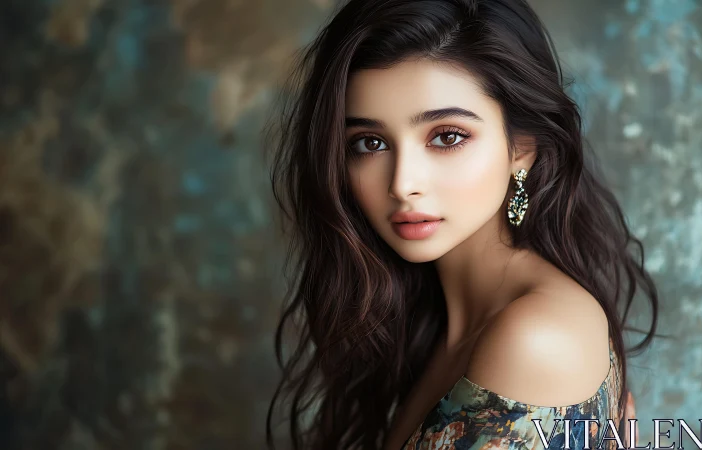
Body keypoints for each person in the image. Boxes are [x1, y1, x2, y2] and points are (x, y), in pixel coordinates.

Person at [266, 0, 658, 448]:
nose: (403, 183)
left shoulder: (537, 337)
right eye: (370, 143)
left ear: (521, 148)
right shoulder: (436, 320)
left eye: (447, 136)